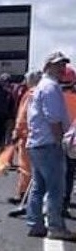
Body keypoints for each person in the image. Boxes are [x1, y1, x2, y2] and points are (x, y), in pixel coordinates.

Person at [25, 51, 76, 241]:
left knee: (39, 186)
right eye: (58, 65)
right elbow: (53, 118)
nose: (62, 68)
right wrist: (60, 141)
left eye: (63, 65)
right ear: (48, 67)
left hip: (38, 143)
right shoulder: (51, 87)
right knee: (56, 188)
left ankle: (35, 223)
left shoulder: (41, 86)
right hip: (48, 143)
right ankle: (56, 227)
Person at [10, 70, 42, 205]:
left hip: (27, 136)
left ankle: (24, 195)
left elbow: (23, 116)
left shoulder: (30, 94)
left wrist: (16, 132)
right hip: (40, 137)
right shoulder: (44, 93)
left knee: (25, 167)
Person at [60, 64, 76, 218]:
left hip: (56, 139)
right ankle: (63, 205)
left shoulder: (54, 96)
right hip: (72, 143)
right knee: (69, 175)